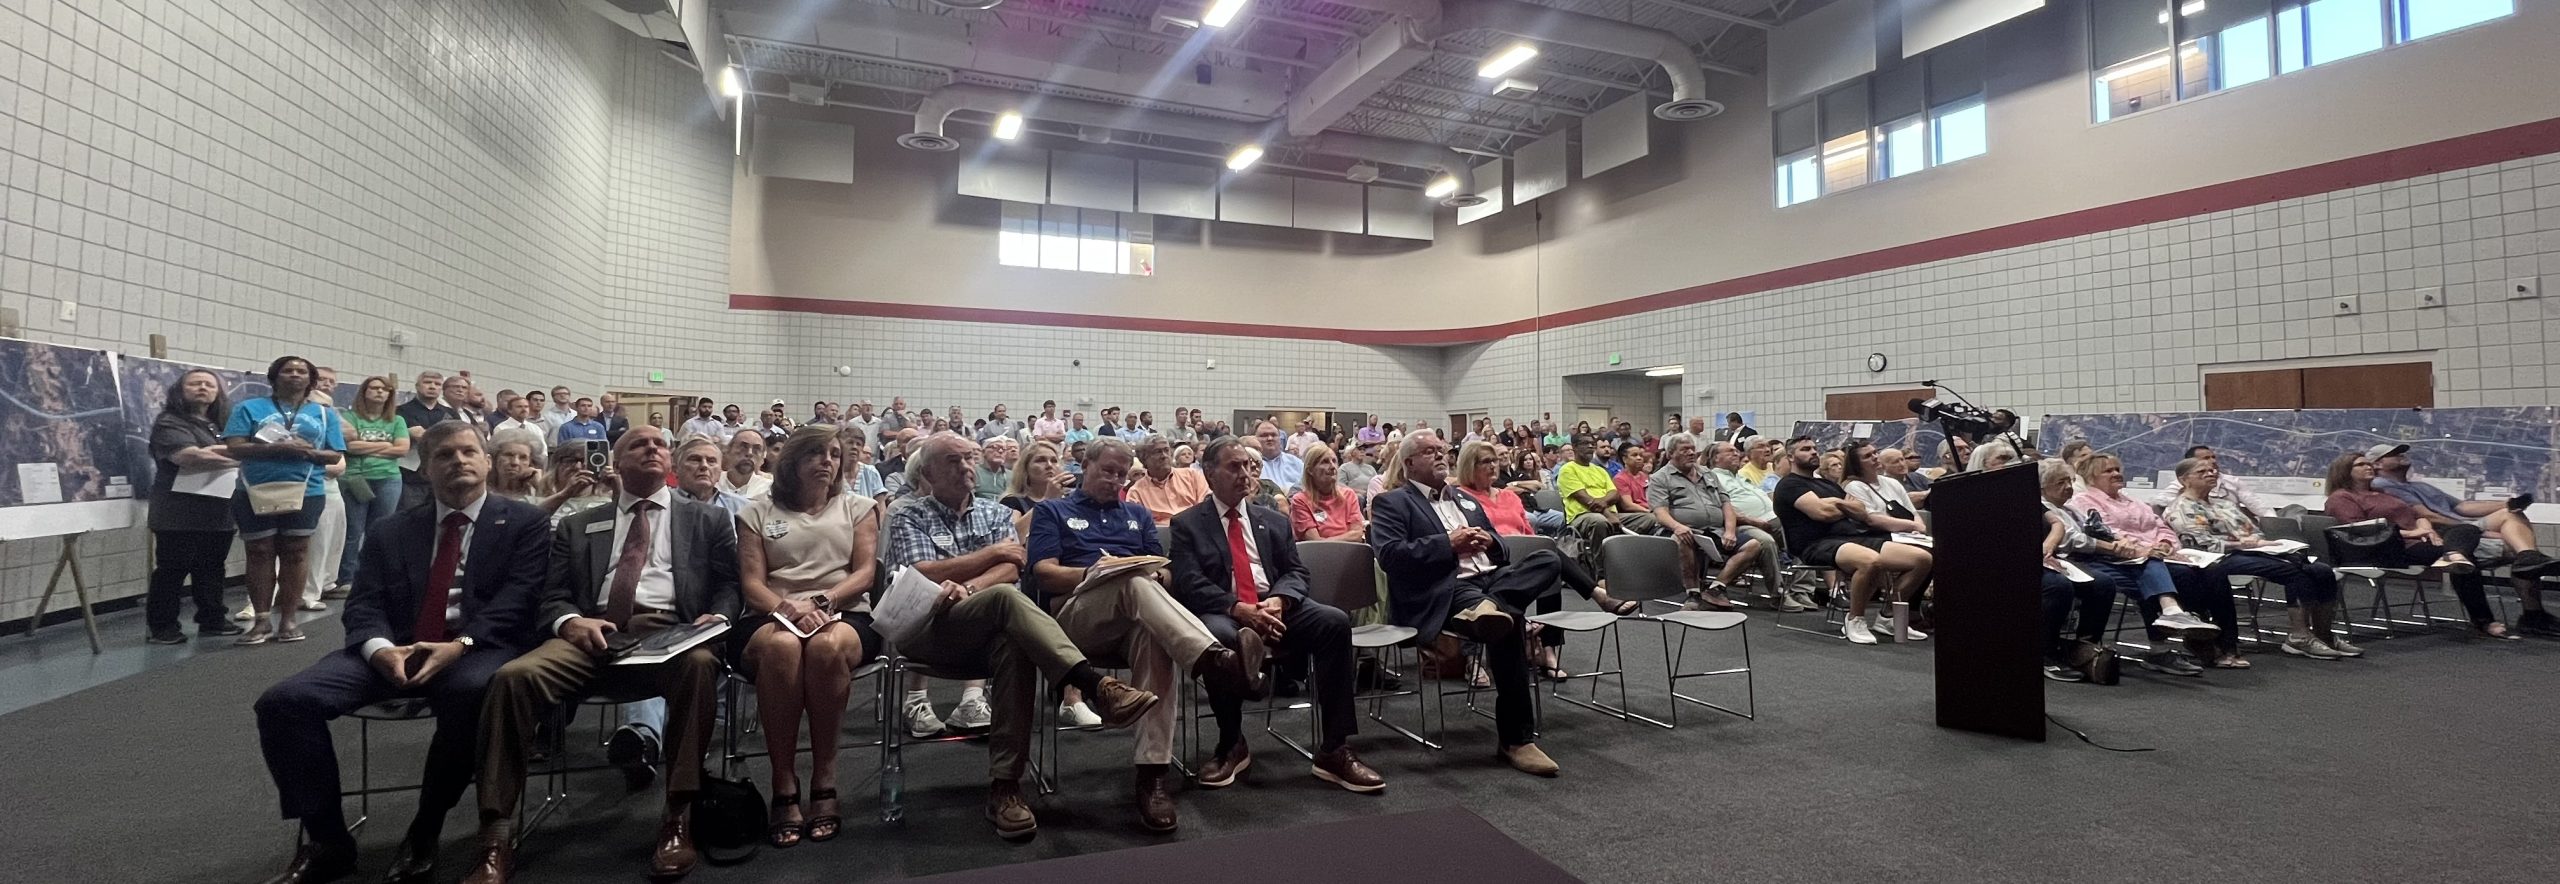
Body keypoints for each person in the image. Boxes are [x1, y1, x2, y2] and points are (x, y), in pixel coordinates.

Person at [254, 422, 546, 884]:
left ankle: (425, 829)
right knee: (284, 703)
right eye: (445, 455)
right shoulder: (393, 529)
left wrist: (459, 645)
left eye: (469, 452)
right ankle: (327, 840)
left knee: (471, 693)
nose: (459, 462)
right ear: (425, 468)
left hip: (475, 646)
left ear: (487, 461)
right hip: (395, 647)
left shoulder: (525, 523)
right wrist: (379, 650)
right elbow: (364, 603)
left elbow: (519, 599)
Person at [463, 427, 737, 883]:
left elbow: (729, 583)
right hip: (592, 632)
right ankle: (495, 835)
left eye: (659, 445)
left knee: (702, 666)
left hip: (670, 632)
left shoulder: (706, 519)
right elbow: (551, 595)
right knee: (514, 677)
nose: (652, 449)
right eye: (638, 445)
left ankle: (677, 815)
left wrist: (719, 616)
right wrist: (570, 622)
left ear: (670, 461)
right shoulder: (580, 522)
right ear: (616, 462)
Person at [887, 432, 1161, 839]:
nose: (965, 467)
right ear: (926, 472)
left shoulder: (993, 513)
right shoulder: (907, 512)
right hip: (926, 627)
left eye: (968, 458)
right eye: (952, 461)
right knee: (1004, 601)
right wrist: (991, 558)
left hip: (986, 620)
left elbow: (1013, 568)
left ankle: (1006, 786)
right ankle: (1094, 684)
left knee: (1014, 641)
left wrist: (971, 583)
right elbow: (921, 573)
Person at [1025, 437, 1258, 833]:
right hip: (1073, 618)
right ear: (1087, 466)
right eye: (1106, 471)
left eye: (1120, 473)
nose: (1114, 479)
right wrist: (1095, 573)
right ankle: (1215, 659)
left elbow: (1166, 572)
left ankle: (1152, 777)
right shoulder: (1053, 510)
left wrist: (1151, 573)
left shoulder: (1137, 513)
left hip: (1133, 619)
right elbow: (1043, 572)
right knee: (1132, 582)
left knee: (1154, 634)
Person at [1169, 438, 1382, 792]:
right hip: (1226, 609)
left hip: (1274, 606)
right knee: (1220, 638)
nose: (1244, 475)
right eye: (1233, 467)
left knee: (1333, 622)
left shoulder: (1272, 520)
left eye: (1247, 467)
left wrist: (1281, 600)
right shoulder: (1188, 524)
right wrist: (1239, 608)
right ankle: (1231, 743)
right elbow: (1189, 583)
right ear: (1209, 474)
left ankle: (1334, 748)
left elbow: (1296, 572)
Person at [1368, 431, 1562, 776]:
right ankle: (1517, 741)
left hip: (1489, 580)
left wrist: (1490, 541)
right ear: (1409, 462)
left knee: (1548, 560)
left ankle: (1488, 608)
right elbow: (1390, 556)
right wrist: (1447, 543)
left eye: (1442, 450)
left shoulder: (1464, 498)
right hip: (1444, 590)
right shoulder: (1391, 502)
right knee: (1511, 620)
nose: (1441, 455)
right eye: (1430, 452)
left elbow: (1500, 547)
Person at [724, 427, 880, 848]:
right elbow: (752, 583)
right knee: (782, 646)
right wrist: (785, 607)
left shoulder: (859, 507)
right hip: (770, 614)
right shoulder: (756, 511)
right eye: (815, 453)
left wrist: (825, 600)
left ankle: (825, 777)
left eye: (833, 454)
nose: (827, 461)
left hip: (844, 611)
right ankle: (783, 781)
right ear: (791, 462)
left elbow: (865, 573)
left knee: (826, 648)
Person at [2165, 456, 2346, 663]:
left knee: (2321, 570)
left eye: (2213, 470)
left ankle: (2324, 635)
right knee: (2294, 571)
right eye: (2202, 472)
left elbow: (2253, 532)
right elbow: (2199, 543)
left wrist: (2259, 542)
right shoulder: (2181, 507)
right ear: (2184, 480)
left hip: (2251, 552)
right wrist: (2244, 544)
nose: (2211, 474)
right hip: (2218, 558)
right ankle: (2300, 636)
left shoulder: (2224, 504)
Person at [2069, 453, 2233, 674]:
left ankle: (2190, 633)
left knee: (2197, 573)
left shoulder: (2133, 501)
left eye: (2117, 469)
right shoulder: (2083, 501)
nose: (2116, 473)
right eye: (2108, 471)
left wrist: (2165, 543)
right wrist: (2147, 548)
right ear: (2091, 477)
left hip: (2149, 556)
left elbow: (2160, 525)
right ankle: (2170, 636)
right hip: (2112, 558)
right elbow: (2108, 533)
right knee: (2162, 575)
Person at [2368, 443, 2555, 634]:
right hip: (2447, 534)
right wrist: (2476, 530)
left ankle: (2528, 563)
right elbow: (2429, 517)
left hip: (2463, 528)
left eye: (2401, 452)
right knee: (2515, 542)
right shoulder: (2383, 486)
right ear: (2377, 464)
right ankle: (2533, 610)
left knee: (2513, 514)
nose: (2402, 455)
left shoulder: (2419, 486)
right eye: (2394, 454)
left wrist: (2508, 504)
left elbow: (2463, 507)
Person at [223, 356, 346, 646]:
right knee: (260, 551)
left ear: (310, 380)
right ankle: (262, 620)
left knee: (296, 552)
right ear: (274, 377)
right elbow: (235, 448)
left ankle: (289, 619)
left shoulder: (325, 414)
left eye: (301, 371)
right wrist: (280, 448)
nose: (294, 375)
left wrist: (306, 453)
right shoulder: (249, 408)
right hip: (254, 490)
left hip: (307, 490)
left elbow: (335, 455)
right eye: (287, 370)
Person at [2324, 450, 2510, 640]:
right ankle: (2484, 621)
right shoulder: (2341, 498)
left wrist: (2427, 529)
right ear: (2345, 470)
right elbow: (2360, 531)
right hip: (2387, 548)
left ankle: (2454, 554)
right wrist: (2413, 533)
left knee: (2467, 530)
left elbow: (2418, 516)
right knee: (2467, 559)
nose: (2368, 466)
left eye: (2368, 463)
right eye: (2361, 464)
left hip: (2417, 541)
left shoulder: (2381, 492)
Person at [1772, 436, 1931, 645]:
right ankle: (1855, 618)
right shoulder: (1789, 485)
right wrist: (1843, 505)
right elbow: (1822, 513)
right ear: (1791, 457)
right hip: (1817, 543)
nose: (1813, 452)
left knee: (1922, 559)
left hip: (1853, 536)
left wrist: (1835, 502)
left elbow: (1861, 511)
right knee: (1870, 561)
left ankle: (1888, 616)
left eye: (1814, 448)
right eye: (1805, 449)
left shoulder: (1826, 485)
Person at [992, 438, 1103, 728]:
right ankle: (1074, 696)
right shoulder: (1013, 502)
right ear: (1025, 470)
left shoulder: (1072, 504)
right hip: (1028, 581)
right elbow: (1011, 538)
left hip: (1069, 576)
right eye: (1041, 461)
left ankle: (1075, 692)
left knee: (1082, 598)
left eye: (1054, 460)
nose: (1050, 466)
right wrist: (1048, 502)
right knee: (1068, 601)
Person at [144, 370, 245, 643]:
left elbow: (212, 454)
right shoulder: (170, 422)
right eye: (195, 383)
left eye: (209, 384)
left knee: (213, 567)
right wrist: (242, 455)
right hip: (179, 512)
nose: (203, 388)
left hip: (219, 510)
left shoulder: (221, 424)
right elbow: (189, 457)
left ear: (217, 392)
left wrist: (222, 454)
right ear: (181, 389)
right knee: (172, 569)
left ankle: (212, 619)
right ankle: (163, 627)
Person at [1650, 434, 1771, 610]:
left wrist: (1730, 530)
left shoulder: (1707, 473)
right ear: (1670, 454)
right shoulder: (1660, 478)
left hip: (1714, 530)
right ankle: (1693, 593)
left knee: (1753, 545)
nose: (1691, 452)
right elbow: (1660, 511)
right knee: (1682, 538)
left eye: (1692, 448)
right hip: (1680, 529)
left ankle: (1716, 588)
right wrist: (1678, 526)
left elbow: (1726, 504)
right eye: (1685, 450)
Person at [2032, 461, 2125, 683]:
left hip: (2050, 556)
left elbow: (2057, 525)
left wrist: (2048, 546)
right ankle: (2046, 652)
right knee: (2058, 586)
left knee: (2103, 583)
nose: (2068, 487)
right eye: (2060, 482)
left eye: (2069, 481)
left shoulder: (2050, 506)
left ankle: (2085, 646)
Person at [335, 375, 411, 599]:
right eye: (374, 388)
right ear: (364, 392)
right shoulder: (350, 417)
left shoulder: (396, 420)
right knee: (353, 530)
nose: (379, 392)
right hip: (356, 478)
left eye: (384, 389)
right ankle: (347, 578)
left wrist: (365, 446)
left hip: (388, 478)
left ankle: (375, 575)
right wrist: (385, 445)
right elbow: (349, 446)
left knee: (380, 530)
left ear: (389, 395)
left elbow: (402, 450)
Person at [1705, 441, 1799, 610]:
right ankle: (1779, 594)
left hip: (1770, 519)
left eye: (1736, 451)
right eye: (1729, 452)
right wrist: (1751, 520)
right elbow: (1720, 507)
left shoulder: (1740, 477)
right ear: (1715, 458)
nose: (1736, 454)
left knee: (1806, 531)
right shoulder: (1713, 477)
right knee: (1769, 540)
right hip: (1740, 524)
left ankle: (1805, 589)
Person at [1558, 433, 1659, 582]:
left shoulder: (1600, 470)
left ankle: (1631, 562)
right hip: (1582, 517)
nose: (1590, 446)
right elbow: (1585, 499)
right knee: (1599, 522)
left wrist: (1607, 509)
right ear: (1574, 447)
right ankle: (1603, 576)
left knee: (1650, 519)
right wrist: (1608, 514)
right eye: (1585, 443)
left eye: (1592, 443)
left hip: (1612, 516)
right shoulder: (1567, 470)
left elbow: (1614, 494)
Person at [393, 371, 460, 511]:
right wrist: (406, 433)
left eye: (437, 384)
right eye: (427, 382)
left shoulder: (451, 414)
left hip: (442, 473)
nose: (432, 386)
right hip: (411, 476)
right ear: (417, 386)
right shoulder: (401, 411)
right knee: (410, 515)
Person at [1841, 440, 1926, 535]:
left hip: (1909, 534)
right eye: (1867, 456)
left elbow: (1913, 513)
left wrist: (1918, 529)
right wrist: (1913, 526)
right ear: (1857, 465)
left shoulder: (1892, 482)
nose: (1875, 457)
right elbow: (1872, 519)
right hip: (1879, 536)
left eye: (1875, 452)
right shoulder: (1854, 487)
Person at [1126, 435, 1211, 527]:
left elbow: (1206, 507)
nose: (1164, 456)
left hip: (1194, 531)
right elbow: (1134, 524)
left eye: (1166, 450)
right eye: (1158, 452)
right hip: (1159, 537)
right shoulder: (1136, 492)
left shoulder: (1192, 476)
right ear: (1144, 459)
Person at [1290, 443, 1367, 543]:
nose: (1333, 466)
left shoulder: (1349, 495)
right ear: (1310, 470)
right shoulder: (1300, 501)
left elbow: (1357, 535)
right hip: (1317, 557)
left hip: (1351, 554)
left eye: (1334, 461)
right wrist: (1347, 538)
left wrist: (1326, 541)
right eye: (1325, 462)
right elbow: (1315, 543)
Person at [491, 395, 548, 464]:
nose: (524, 410)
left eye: (526, 407)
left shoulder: (535, 428)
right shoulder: (502, 428)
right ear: (510, 410)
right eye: (519, 407)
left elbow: (543, 451)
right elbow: (498, 452)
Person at [1252, 421, 1306, 492]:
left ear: (1280, 438)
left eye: (1274, 435)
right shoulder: (1251, 466)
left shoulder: (1296, 463)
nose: (1270, 438)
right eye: (1264, 435)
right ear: (1255, 439)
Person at [720, 430, 772, 500]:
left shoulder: (768, 489)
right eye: (743, 447)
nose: (749, 453)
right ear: (728, 451)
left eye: (756, 449)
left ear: (762, 458)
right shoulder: (714, 482)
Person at [974, 435, 1017, 502]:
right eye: (994, 447)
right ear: (983, 452)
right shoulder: (974, 471)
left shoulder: (1012, 475)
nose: (1000, 451)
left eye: (1004, 449)